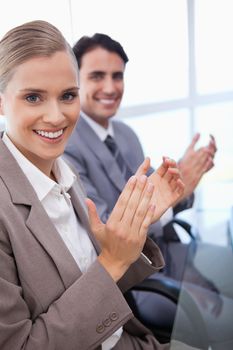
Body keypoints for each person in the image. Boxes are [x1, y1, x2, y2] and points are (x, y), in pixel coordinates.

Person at [0, 20, 188, 350]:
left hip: (128, 337)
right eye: (33, 97)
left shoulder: (62, 169)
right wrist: (112, 261)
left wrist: (135, 226)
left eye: (67, 95)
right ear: (1, 102)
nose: (56, 117)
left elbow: (90, 281)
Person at [63, 33, 218, 332]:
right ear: (76, 81)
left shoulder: (125, 134)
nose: (110, 87)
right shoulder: (68, 147)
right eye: (97, 76)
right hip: (139, 280)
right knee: (220, 320)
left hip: (171, 250)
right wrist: (172, 193)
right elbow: (108, 231)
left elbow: (154, 198)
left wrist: (181, 183)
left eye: (117, 76)